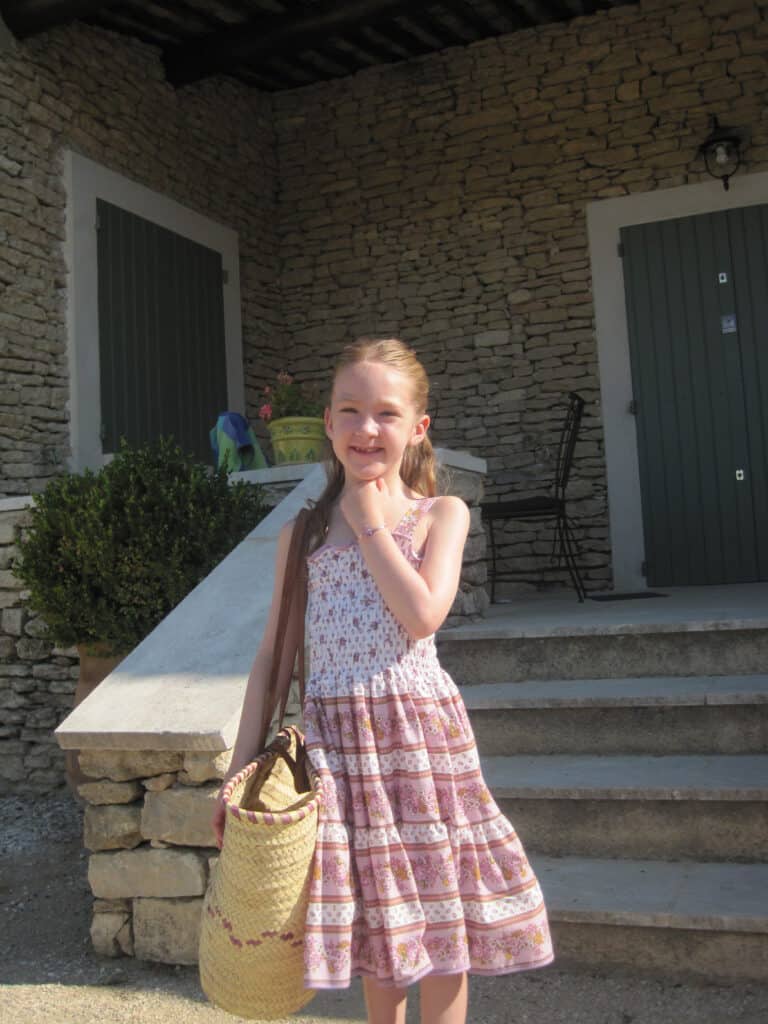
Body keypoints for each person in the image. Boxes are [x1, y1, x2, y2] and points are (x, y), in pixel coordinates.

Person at [212, 337, 554, 1024]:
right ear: (331, 424)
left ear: (418, 428)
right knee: (379, 930)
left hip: (421, 745)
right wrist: (239, 771)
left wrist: (371, 526)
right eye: (350, 411)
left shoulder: (440, 516)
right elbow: (272, 658)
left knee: (440, 929)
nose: (368, 429)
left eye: (387, 413)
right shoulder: (303, 532)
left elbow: (422, 615)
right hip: (340, 749)